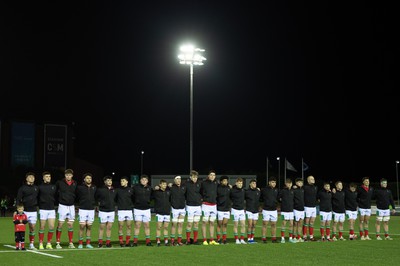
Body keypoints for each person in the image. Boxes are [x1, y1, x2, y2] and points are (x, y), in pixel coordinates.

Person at [55, 169, 77, 249]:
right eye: (67, 175)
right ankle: (58, 242)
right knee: (60, 224)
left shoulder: (75, 183)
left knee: (70, 225)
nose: (68, 176)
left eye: (70, 175)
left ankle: (71, 242)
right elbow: (55, 193)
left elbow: (76, 194)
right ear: (65, 175)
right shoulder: (60, 183)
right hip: (62, 206)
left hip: (71, 206)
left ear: (72, 175)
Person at [16, 172, 39, 250]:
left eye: (33, 177)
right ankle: (19, 243)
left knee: (32, 228)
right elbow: (18, 199)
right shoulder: (22, 188)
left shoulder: (36, 188)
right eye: (30, 177)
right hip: (24, 211)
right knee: (21, 228)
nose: (32, 178)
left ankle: (31, 244)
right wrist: (18, 210)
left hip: (33, 211)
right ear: (26, 179)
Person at [76, 173, 97, 249]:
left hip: (91, 209)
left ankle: (88, 243)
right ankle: (80, 243)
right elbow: (76, 196)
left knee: (89, 226)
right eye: (87, 178)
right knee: (82, 226)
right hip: (83, 209)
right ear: (84, 179)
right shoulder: (80, 187)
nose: (89, 179)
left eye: (90, 178)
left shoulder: (94, 187)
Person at [37, 171, 57, 249]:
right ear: (43, 178)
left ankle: (49, 243)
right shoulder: (40, 187)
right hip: (42, 209)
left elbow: (56, 197)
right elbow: (37, 197)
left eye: (49, 176)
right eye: (47, 176)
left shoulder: (53, 186)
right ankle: (41, 243)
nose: (48, 178)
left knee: (51, 227)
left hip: (51, 209)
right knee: (42, 227)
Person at [132, 174, 153, 246]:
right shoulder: (135, 188)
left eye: (145, 180)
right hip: (137, 209)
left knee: (147, 225)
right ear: (140, 180)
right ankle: (135, 242)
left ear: (147, 181)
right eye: (142, 180)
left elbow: (152, 197)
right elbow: (132, 197)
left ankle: (148, 241)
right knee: (137, 225)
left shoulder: (150, 188)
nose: (144, 181)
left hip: (146, 209)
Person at [200, 170, 219, 245]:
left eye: (214, 175)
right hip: (206, 205)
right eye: (211, 175)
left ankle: (211, 240)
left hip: (214, 205)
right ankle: (204, 240)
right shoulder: (204, 183)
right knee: (205, 222)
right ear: (208, 176)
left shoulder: (216, 183)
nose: (212, 176)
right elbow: (200, 191)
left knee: (212, 222)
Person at [96, 175, 116, 247]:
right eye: (108, 180)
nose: (109, 182)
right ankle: (100, 242)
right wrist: (100, 204)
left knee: (109, 227)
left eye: (110, 180)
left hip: (111, 211)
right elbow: (96, 197)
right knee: (102, 227)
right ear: (104, 182)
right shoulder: (100, 189)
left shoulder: (114, 190)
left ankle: (108, 242)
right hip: (103, 211)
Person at [115, 176, 134, 247]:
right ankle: (121, 242)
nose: (121, 182)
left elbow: (134, 198)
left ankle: (127, 242)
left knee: (129, 226)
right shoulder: (118, 190)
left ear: (127, 182)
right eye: (121, 181)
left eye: (123, 181)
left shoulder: (131, 190)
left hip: (129, 210)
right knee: (120, 226)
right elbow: (115, 199)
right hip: (121, 210)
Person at [184, 170, 202, 245]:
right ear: (190, 177)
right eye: (193, 177)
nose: (195, 178)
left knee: (196, 223)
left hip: (198, 206)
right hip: (190, 206)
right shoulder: (186, 184)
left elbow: (203, 192)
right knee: (189, 224)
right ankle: (188, 240)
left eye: (196, 177)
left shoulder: (199, 184)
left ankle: (195, 240)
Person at [152, 179, 171, 246]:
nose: (164, 185)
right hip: (158, 213)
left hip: (167, 213)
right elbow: (151, 195)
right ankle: (158, 241)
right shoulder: (156, 192)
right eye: (163, 184)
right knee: (158, 227)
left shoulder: (168, 192)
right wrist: (154, 189)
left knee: (166, 227)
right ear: (160, 185)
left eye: (165, 184)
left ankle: (166, 241)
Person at [260, 177, 279, 244]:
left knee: (274, 224)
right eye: (272, 182)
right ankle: (263, 238)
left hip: (274, 210)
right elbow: (260, 198)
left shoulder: (276, 190)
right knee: (265, 224)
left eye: (275, 182)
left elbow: (278, 199)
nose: (274, 184)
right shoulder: (264, 190)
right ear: (269, 182)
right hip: (266, 210)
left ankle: (274, 238)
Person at [169, 175, 186, 246]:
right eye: (177, 179)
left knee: (180, 225)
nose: (179, 180)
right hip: (174, 209)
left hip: (182, 208)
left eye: (180, 179)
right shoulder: (171, 187)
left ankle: (179, 241)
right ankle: (172, 241)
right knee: (174, 224)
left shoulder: (184, 187)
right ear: (174, 180)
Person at [278, 178, 296, 243]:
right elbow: (278, 198)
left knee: (291, 224)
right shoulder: (282, 191)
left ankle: (290, 238)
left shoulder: (293, 191)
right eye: (288, 183)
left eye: (290, 183)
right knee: (284, 224)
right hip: (284, 211)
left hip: (291, 210)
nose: (289, 184)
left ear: (291, 184)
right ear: (286, 184)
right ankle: (282, 238)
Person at [230, 177, 247, 244]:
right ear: (236, 183)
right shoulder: (232, 190)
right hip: (235, 210)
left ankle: (242, 239)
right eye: (239, 183)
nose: (240, 184)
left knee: (243, 225)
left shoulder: (243, 191)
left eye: (241, 183)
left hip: (242, 210)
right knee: (236, 225)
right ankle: (237, 239)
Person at [357, 176, 373, 240]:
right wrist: (360, 202)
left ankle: (366, 235)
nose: (367, 182)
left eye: (368, 181)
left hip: (368, 207)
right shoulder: (360, 188)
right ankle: (362, 236)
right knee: (361, 221)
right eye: (366, 181)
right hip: (361, 207)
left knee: (366, 222)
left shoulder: (371, 189)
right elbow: (356, 197)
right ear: (363, 182)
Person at [303, 175, 318, 241]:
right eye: (311, 179)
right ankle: (304, 236)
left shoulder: (315, 187)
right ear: (308, 180)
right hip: (307, 207)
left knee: (312, 222)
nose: (313, 180)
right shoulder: (305, 187)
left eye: (313, 179)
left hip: (314, 207)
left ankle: (311, 236)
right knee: (306, 221)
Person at [216, 175, 231, 244]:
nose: (225, 182)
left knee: (225, 224)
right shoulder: (218, 188)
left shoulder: (229, 188)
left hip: (227, 209)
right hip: (219, 209)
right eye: (224, 180)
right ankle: (218, 239)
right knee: (219, 224)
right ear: (221, 181)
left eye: (226, 181)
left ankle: (224, 239)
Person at [245, 179, 260, 243]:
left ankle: (252, 238)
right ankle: (248, 239)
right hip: (249, 210)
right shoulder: (247, 191)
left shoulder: (258, 191)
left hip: (256, 210)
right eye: (253, 183)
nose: (254, 184)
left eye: (255, 183)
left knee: (254, 225)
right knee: (250, 224)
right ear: (250, 184)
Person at [293, 178, 305, 242]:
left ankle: (299, 237)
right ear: (296, 183)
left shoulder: (303, 190)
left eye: (301, 182)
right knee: (295, 224)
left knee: (300, 224)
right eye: (299, 182)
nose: (300, 183)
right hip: (296, 209)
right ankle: (294, 237)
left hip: (302, 210)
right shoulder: (294, 190)